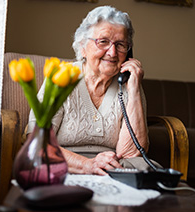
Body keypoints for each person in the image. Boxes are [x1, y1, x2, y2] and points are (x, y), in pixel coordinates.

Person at [27, 6, 157, 175]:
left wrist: (133, 91)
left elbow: (131, 154)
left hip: (111, 169)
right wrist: (88, 165)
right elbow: (38, 143)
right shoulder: (61, 78)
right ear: (82, 47)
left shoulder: (129, 83)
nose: (112, 52)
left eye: (121, 45)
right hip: (63, 165)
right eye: (103, 41)